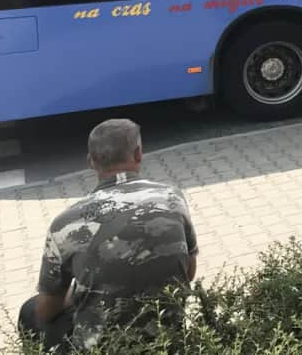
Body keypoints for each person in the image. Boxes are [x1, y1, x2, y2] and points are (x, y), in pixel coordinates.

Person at [18, 120, 198, 352]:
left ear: (91, 162)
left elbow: (46, 310)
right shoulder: (173, 198)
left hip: (104, 346)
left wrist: (77, 294)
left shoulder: (65, 223)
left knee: (30, 311)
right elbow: (189, 271)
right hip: (167, 339)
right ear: (139, 154)